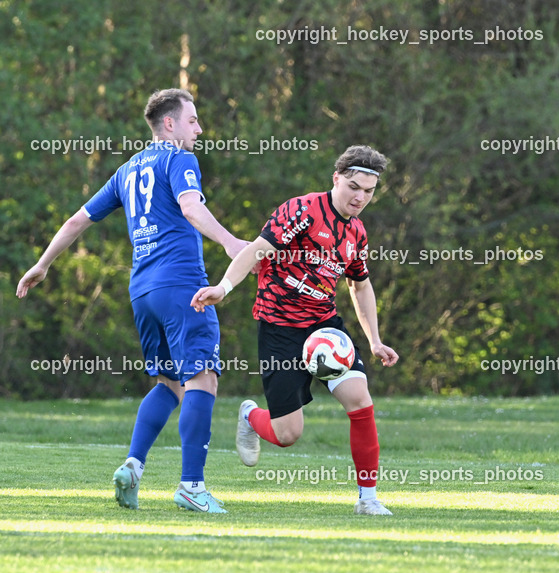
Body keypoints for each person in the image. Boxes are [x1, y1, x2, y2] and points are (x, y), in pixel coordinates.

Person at [16, 88, 249, 514]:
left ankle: (133, 466)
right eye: (193, 120)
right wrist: (232, 243)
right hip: (182, 286)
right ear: (169, 124)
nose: (199, 128)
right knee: (203, 379)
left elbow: (76, 220)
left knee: (169, 383)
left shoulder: (127, 170)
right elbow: (192, 208)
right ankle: (192, 486)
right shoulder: (179, 158)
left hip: (142, 291)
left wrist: (43, 263)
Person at [191, 145, 399, 516]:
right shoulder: (301, 210)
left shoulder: (357, 232)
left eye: (368, 191)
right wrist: (223, 288)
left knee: (360, 399)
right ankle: (251, 417)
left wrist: (374, 340)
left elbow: (360, 286)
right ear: (336, 178)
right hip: (280, 329)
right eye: (354, 187)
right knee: (288, 435)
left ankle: (368, 498)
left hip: (324, 327)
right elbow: (256, 250)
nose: (360, 197)